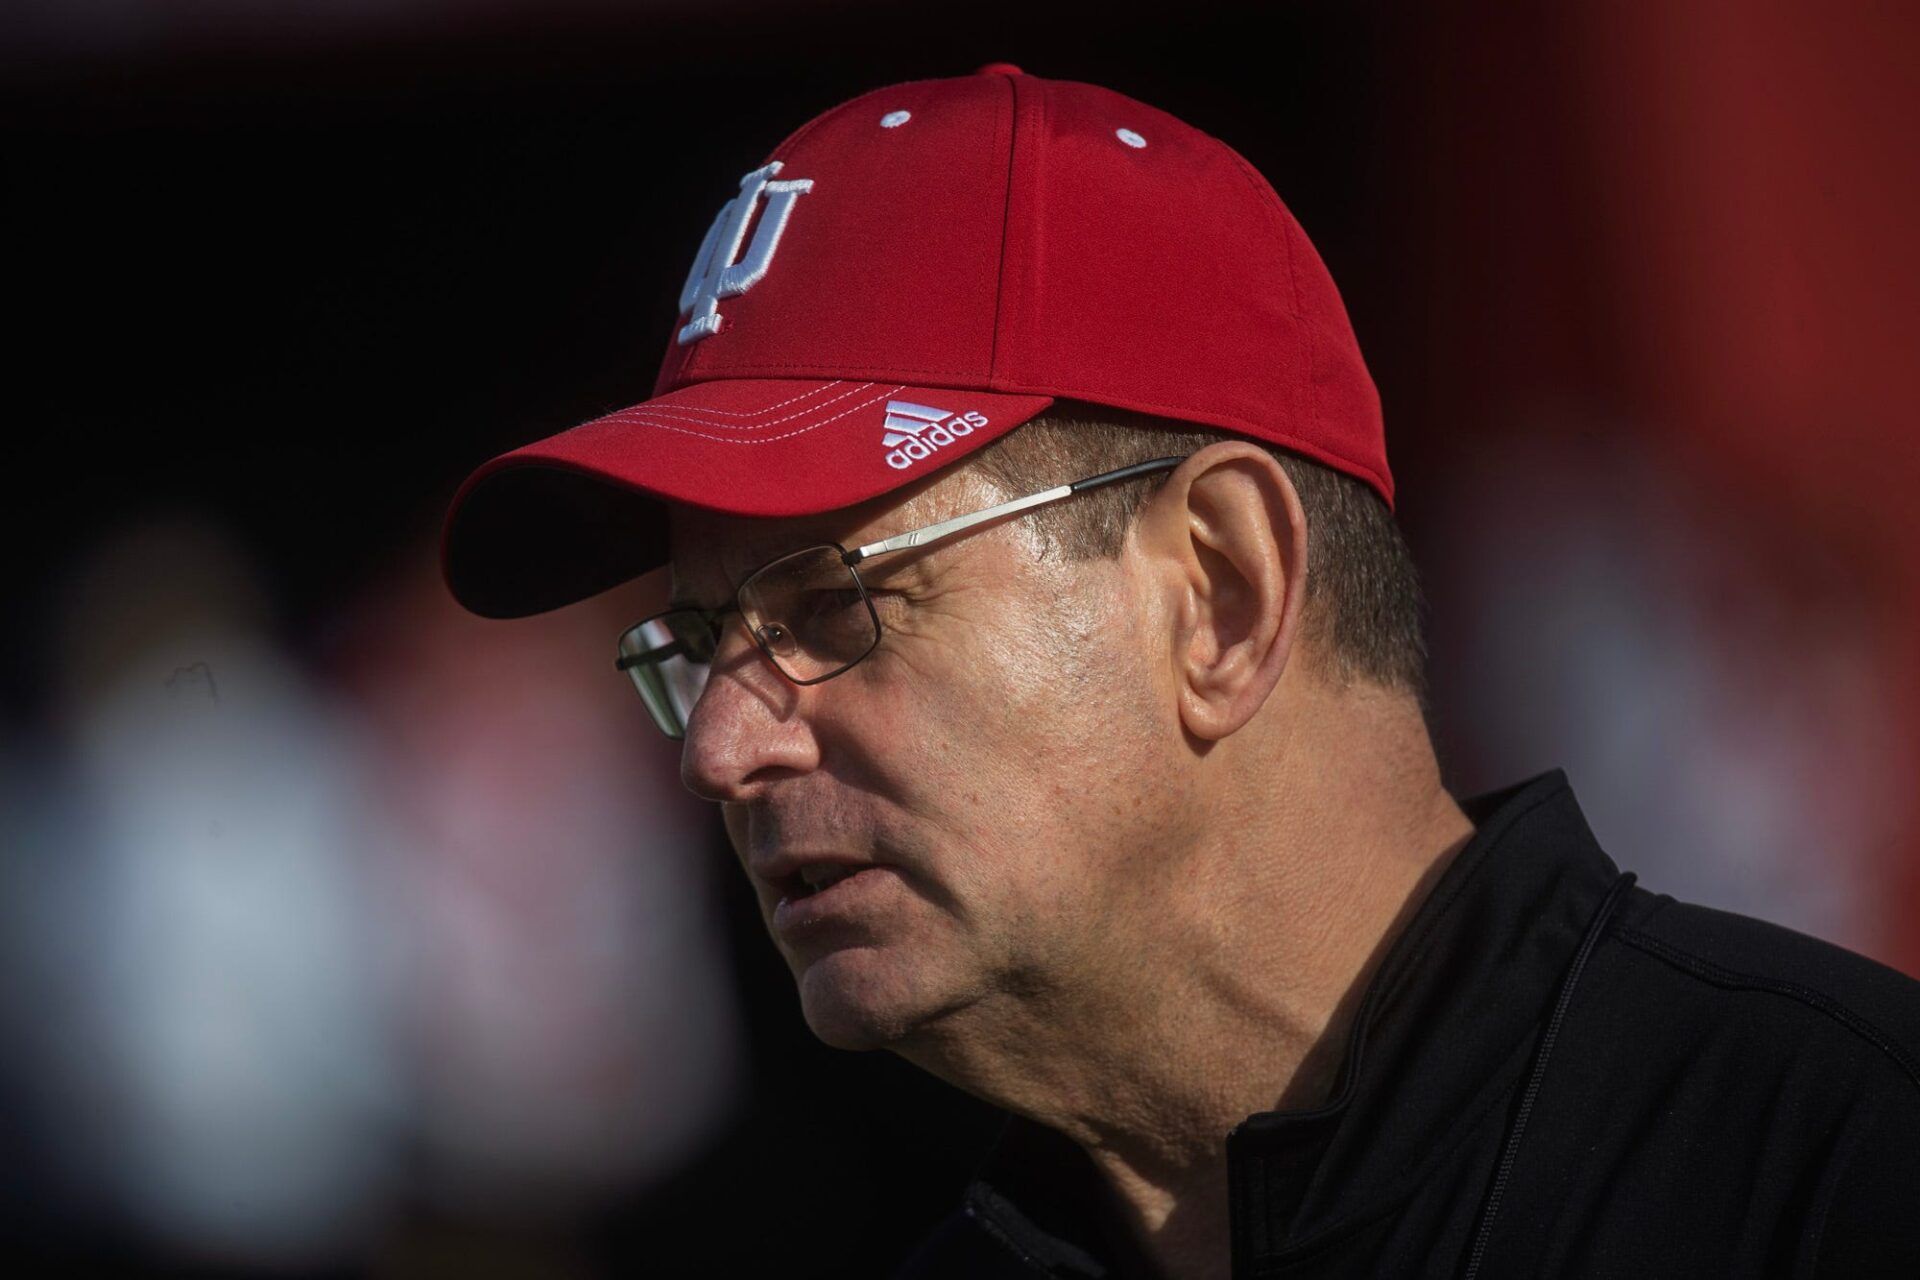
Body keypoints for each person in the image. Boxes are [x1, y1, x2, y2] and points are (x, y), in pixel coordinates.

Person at [440, 65, 1920, 1279]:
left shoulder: (1837, 1171)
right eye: (698, 649)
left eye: (831, 607)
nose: (719, 751)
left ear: (1221, 588)